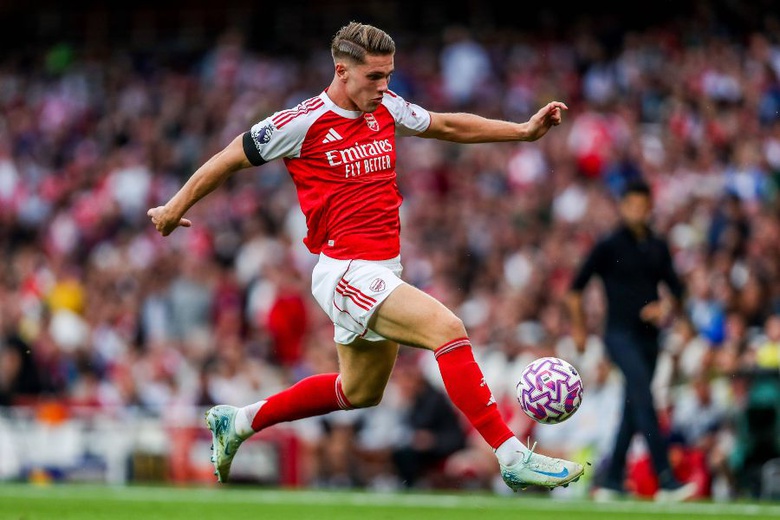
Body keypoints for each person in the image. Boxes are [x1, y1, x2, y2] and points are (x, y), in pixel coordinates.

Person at [147, 21, 583, 492]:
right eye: (374, 77)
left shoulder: (387, 106)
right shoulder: (300, 122)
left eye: (388, 75)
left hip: (382, 268)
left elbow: (447, 124)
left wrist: (522, 131)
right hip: (345, 271)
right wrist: (174, 208)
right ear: (342, 71)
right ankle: (511, 453)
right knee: (447, 329)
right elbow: (228, 157)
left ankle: (240, 422)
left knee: (359, 391)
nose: (384, 87)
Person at [565, 179, 697, 502]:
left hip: (650, 337)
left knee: (632, 405)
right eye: (632, 205)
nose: (638, 211)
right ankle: (665, 479)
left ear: (650, 208)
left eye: (643, 205)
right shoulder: (609, 245)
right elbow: (575, 289)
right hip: (618, 334)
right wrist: (580, 330)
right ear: (623, 207)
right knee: (643, 395)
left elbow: (678, 291)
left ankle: (611, 480)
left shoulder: (657, 245)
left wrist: (665, 308)